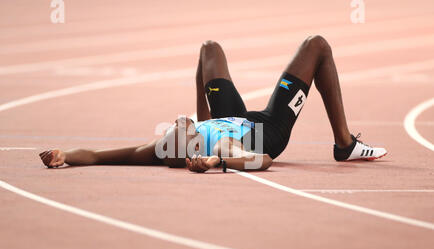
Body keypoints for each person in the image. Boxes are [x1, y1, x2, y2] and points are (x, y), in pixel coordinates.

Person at [39, 35, 387, 173]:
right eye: (178, 127)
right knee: (318, 47)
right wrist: (217, 161)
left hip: (228, 117)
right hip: (266, 130)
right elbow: (263, 159)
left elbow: (100, 157)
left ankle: (208, 110)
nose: (175, 122)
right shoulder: (216, 146)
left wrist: (65, 155)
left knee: (209, 49)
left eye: (176, 125)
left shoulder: (167, 145)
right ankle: (345, 144)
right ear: (186, 146)